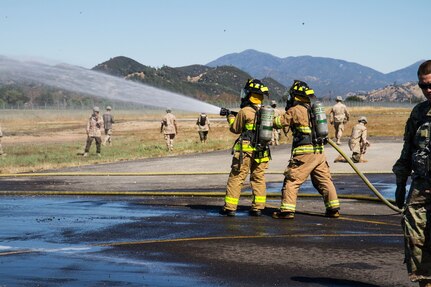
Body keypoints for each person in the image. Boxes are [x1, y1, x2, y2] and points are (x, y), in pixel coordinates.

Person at [272, 80, 340, 219]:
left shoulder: (295, 110)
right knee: (324, 181)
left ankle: (286, 211)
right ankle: (333, 209)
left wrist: (266, 118)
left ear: (295, 96)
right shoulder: (313, 110)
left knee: (292, 180)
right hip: (319, 152)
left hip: (304, 153)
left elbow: (279, 123)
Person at [393, 60, 431, 287]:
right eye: (423, 86)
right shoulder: (419, 112)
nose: (428, 90)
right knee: (416, 237)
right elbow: (407, 151)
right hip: (421, 187)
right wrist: (400, 183)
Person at [220, 79, 271, 217]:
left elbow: (235, 129)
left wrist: (230, 117)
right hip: (262, 150)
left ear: (249, 95)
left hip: (246, 150)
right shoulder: (267, 112)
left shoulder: (245, 111)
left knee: (237, 177)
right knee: (258, 178)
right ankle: (258, 207)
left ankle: (230, 207)